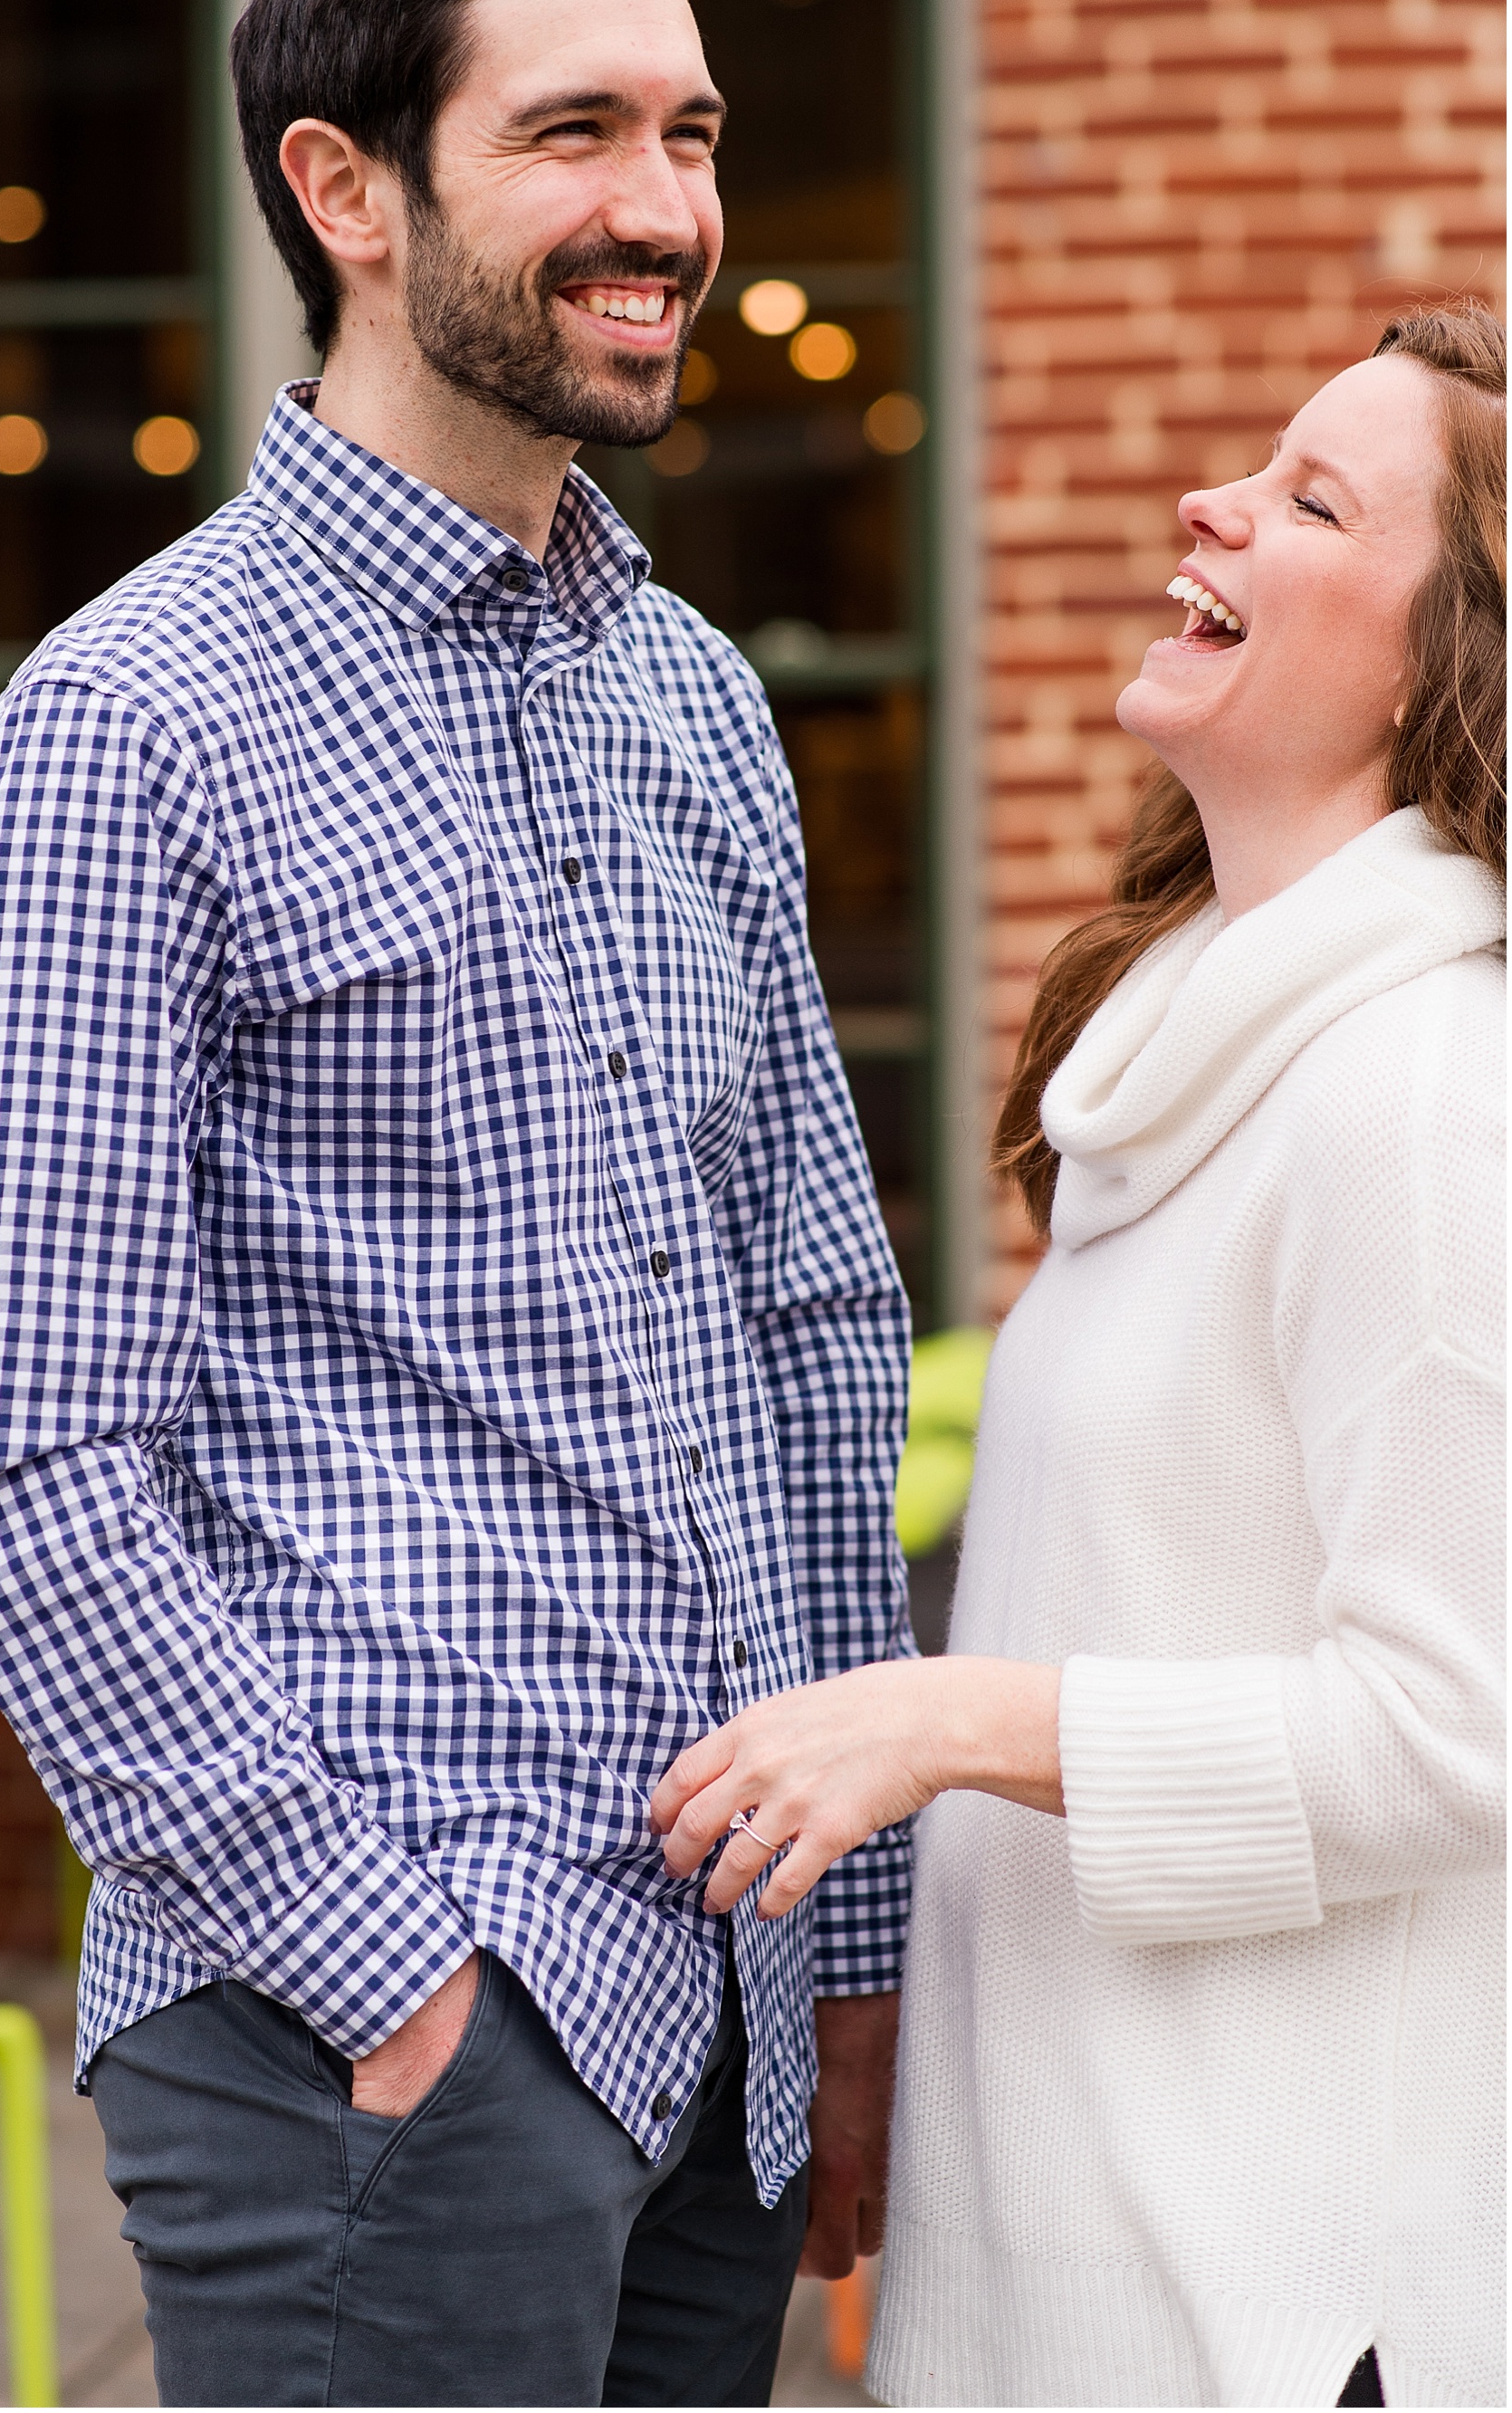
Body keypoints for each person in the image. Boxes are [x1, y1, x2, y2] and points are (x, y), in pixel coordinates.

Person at [0, 0, 914, 2409]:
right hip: (386, 2029)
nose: (664, 207)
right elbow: (15, 1466)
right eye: (571, 132)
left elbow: (804, 1331)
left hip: (730, 2000)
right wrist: (387, 1966)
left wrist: (858, 1954)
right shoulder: (117, 743)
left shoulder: (686, 698)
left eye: (685, 130)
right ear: (348, 191)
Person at [654, 304, 1507, 2408]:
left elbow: (1456, 1736)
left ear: (1439, 665)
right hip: (1068, 2258)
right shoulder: (1188, 1056)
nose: (1209, 499)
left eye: (1311, 497)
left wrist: (948, 1719)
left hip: (1285, 2313)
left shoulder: (1417, 1094)